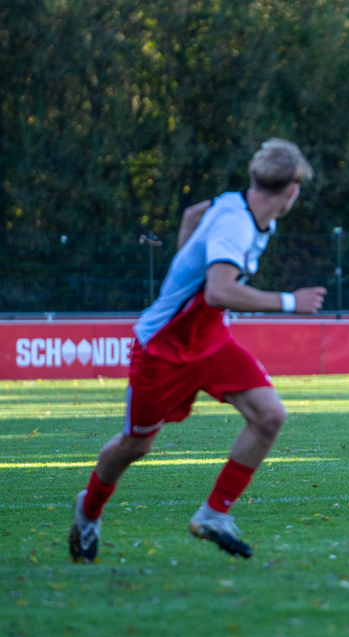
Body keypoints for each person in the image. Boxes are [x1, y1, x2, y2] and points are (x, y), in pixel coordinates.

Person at [68, 139, 326, 562]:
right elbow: (219, 290)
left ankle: (214, 514)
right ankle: (89, 509)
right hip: (163, 347)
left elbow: (191, 215)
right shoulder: (236, 226)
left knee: (269, 416)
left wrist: (184, 261)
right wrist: (289, 302)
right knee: (136, 444)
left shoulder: (234, 204)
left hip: (209, 340)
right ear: (292, 191)